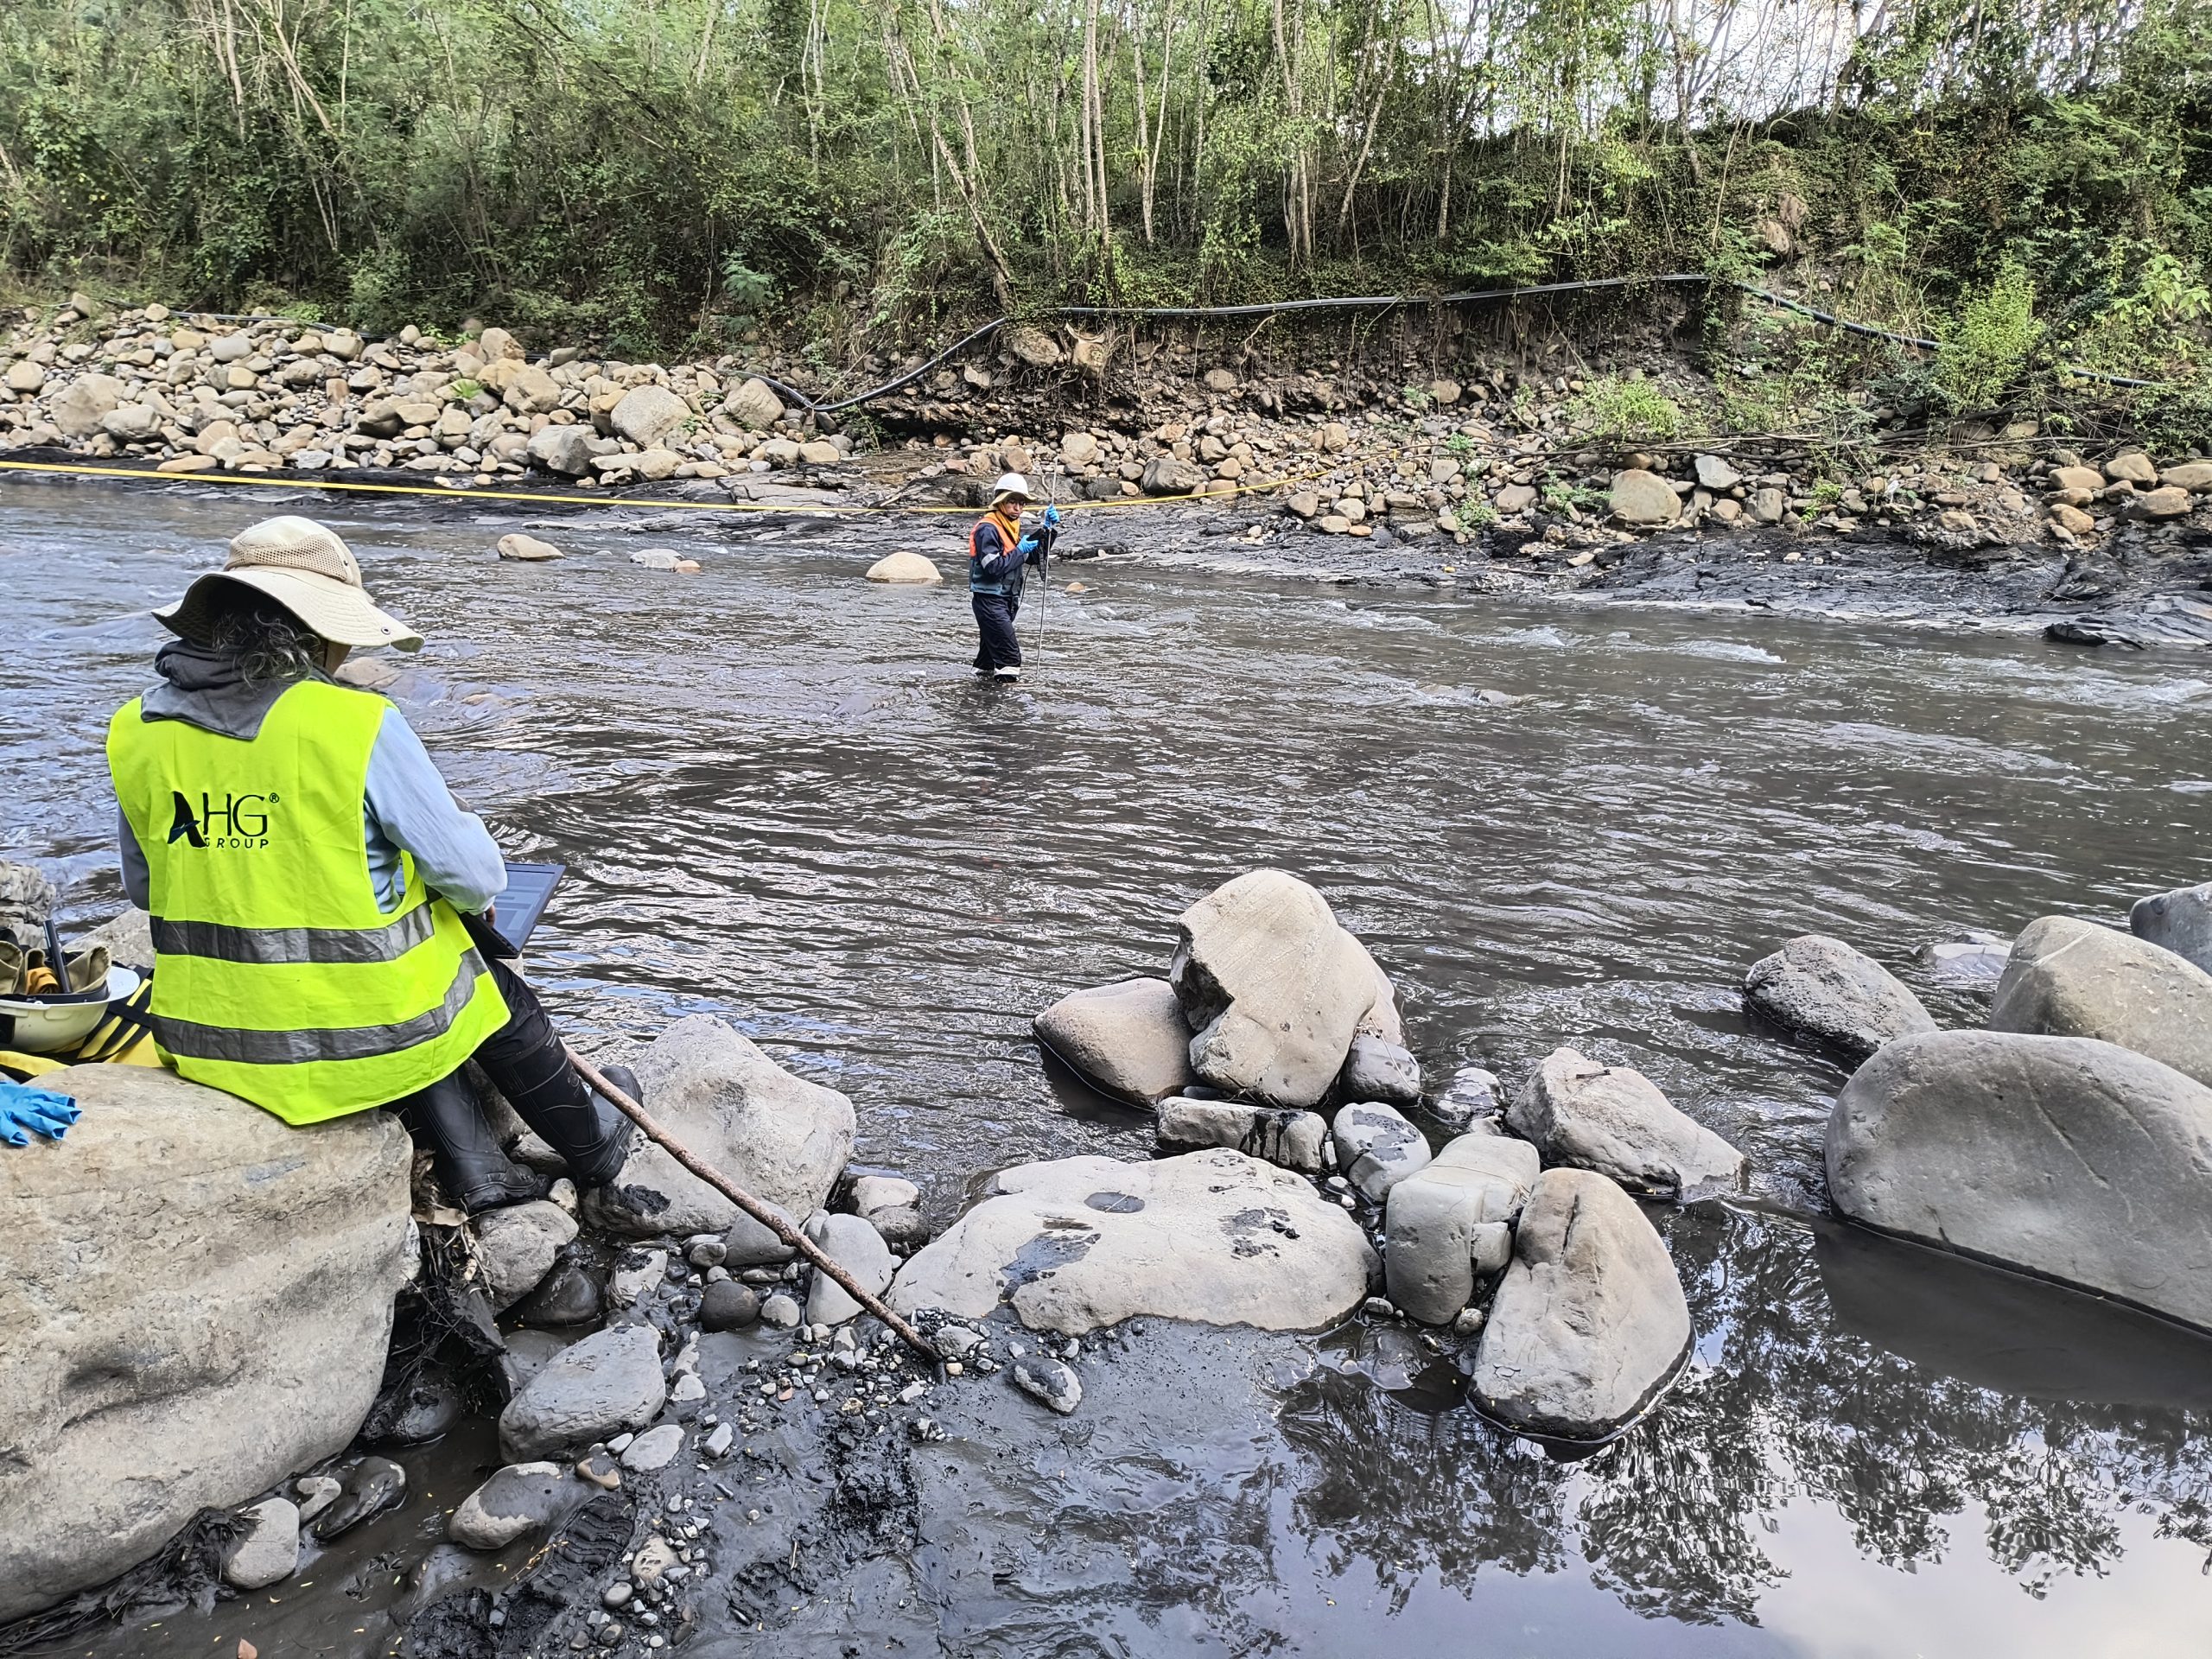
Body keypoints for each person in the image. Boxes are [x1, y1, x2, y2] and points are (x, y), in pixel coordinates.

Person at [106, 515, 627, 1211]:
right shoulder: (355, 724)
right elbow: (474, 874)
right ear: (314, 633)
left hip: (208, 1042)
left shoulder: (134, 730)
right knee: (482, 987)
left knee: (407, 993)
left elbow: (146, 889)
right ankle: (594, 1146)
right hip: (355, 1040)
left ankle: (481, 1172)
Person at [967, 473, 1058, 678]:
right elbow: (993, 569)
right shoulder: (988, 529)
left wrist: (1048, 531)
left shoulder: (1011, 528)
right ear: (1000, 501)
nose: (1018, 507)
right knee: (1009, 659)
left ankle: (978, 699)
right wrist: (1020, 549)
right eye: (1012, 501)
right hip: (990, 601)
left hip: (1006, 601)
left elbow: (1034, 558)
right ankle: (1010, 708)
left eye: (1021, 503)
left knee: (988, 661)